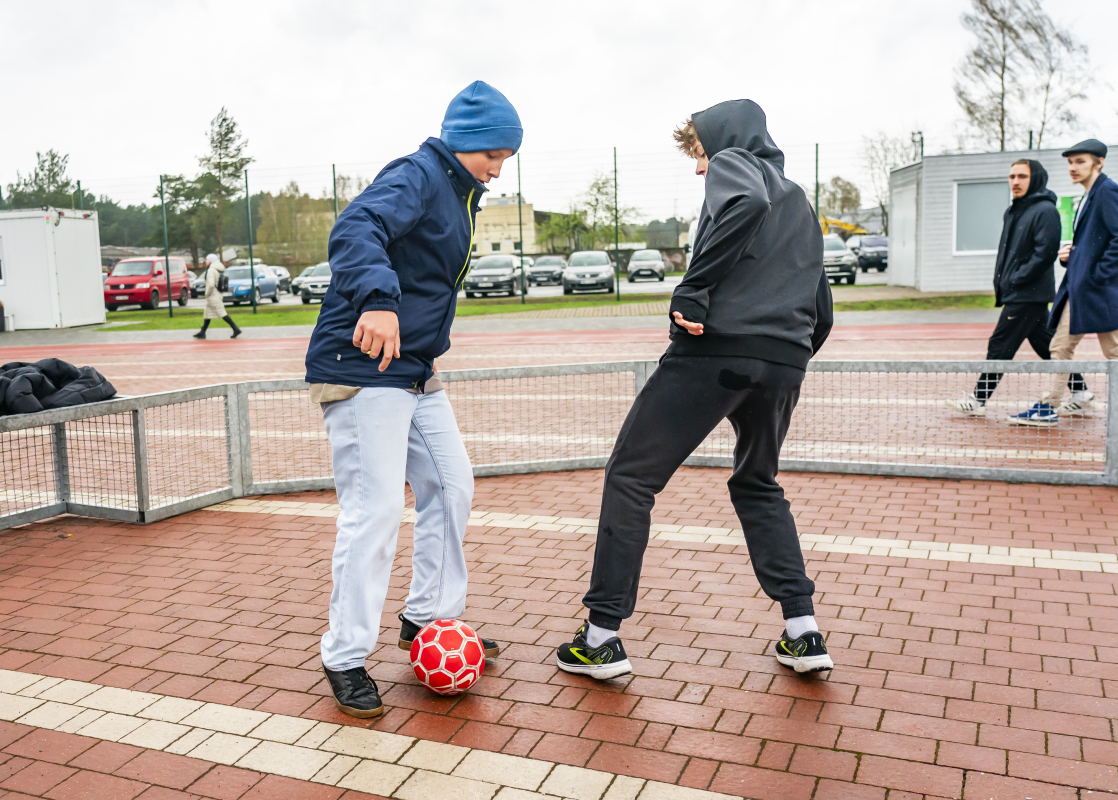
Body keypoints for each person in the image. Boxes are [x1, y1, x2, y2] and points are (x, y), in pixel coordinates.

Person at [555, 100, 835, 680]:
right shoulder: (801, 200)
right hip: (784, 362)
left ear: (725, 143)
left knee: (631, 477)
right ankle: (803, 631)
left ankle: (601, 637)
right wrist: (786, 351)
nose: (702, 169)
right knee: (758, 484)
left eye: (700, 154)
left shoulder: (741, 165)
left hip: (715, 352)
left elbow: (745, 201)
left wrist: (693, 288)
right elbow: (822, 308)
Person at [305, 81, 521, 718]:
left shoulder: (460, 190)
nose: (499, 168)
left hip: (414, 370)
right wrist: (376, 299)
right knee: (374, 513)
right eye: (493, 153)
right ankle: (345, 655)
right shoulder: (420, 175)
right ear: (465, 140)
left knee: (453, 486)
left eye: (508, 157)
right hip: (363, 365)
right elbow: (356, 228)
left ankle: (428, 619)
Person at [946, 159, 1085, 416]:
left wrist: (1016, 278)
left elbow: (1045, 252)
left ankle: (978, 400)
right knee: (1047, 345)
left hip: (1027, 292)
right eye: (1012, 177)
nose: (1015, 182)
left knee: (1000, 345)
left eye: (1022, 176)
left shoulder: (1045, 210)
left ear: (1036, 179)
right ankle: (1081, 392)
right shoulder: (1014, 210)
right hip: (1021, 291)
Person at [1011, 139, 1118, 426]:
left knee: (1114, 351)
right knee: (1060, 347)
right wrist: (1074, 255)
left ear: (1099, 162)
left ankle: (1049, 405)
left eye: (1080, 161)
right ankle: (1048, 406)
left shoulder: (1107, 192)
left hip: (1099, 289)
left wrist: (1097, 274)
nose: (1073, 168)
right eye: (1070, 162)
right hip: (1082, 288)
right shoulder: (1088, 196)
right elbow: (1100, 241)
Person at [193, 254, 242, 339]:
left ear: (211, 260)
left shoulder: (211, 270)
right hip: (217, 294)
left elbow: (211, 284)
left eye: (207, 259)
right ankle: (202, 332)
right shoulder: (218, 269)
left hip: (213, 295)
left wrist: (206, 294)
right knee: (208, 314)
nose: (206, 261)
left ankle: (235, 328)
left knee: (222, 313)